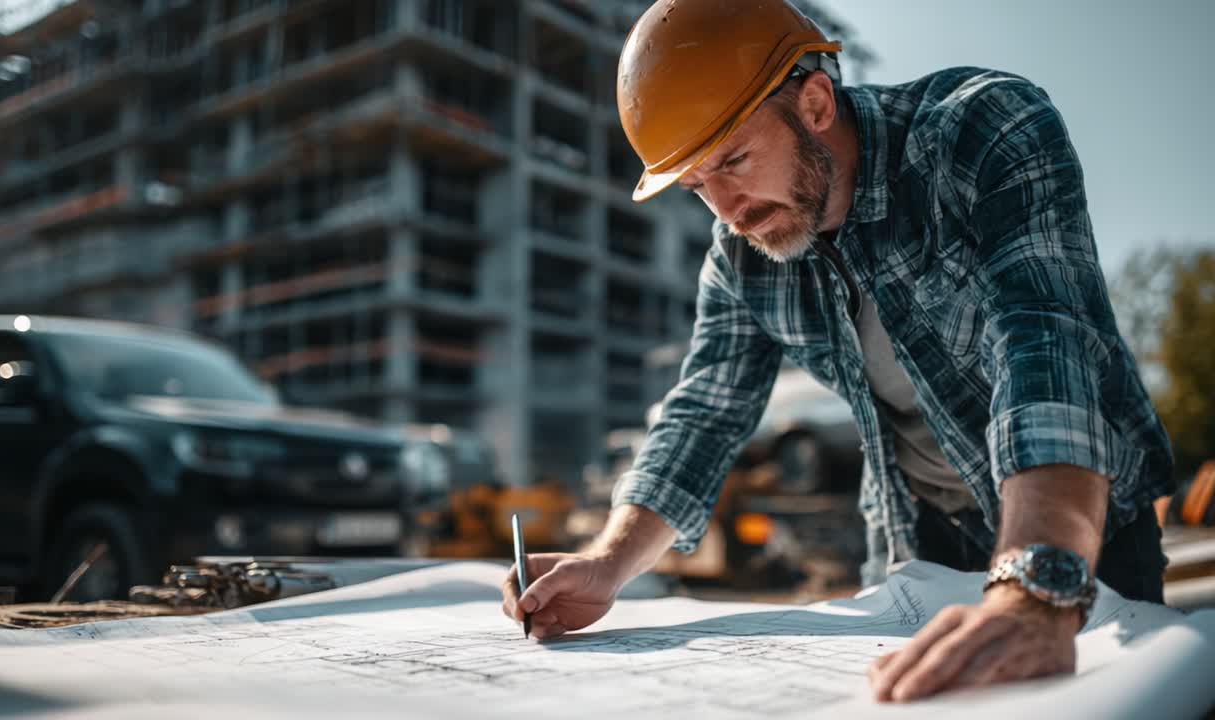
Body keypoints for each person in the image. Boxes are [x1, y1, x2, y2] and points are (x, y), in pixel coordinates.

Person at [500, 0, 1173, 703]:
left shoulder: (984, 132)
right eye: (699, 184)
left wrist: (1036, 582)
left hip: (1078, 529)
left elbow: (1045, 341)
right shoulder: (742, 255)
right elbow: (704, 412)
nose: (728, 209)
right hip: (921, 544)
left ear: (816, 102)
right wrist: (607, 563)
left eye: (734, 160)